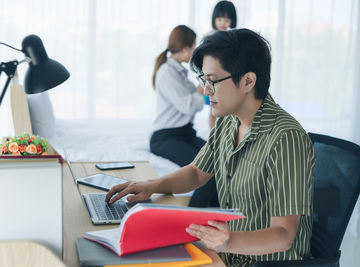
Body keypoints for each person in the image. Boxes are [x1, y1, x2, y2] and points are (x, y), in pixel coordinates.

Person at [106, 29, 315, 266]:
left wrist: (227, 242)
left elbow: (284, 236)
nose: (206, 91)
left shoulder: (285, 138)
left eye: (213, 81)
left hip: (262, 261)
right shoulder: (228, 120)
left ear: (248, 81)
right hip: (226, 253)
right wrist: (151, 186)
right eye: (203, 80)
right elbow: (197, 172)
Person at [150, 25, 219, 207]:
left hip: (185, 134)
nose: (195, 51)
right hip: (165, 138)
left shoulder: (178, 72)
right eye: (194, 46)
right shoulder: (167, 72)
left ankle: (219, 211)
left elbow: (197, 99)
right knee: (208, 168)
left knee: (220, 158)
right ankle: (193, 216)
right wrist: (203, 80)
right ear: (186, 48)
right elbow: (189, 106)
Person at [207, 1, 238, 129]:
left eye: (227, 19)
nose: (223, 23)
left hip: (227, 78)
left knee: (229, 108)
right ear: (214, 20)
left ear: (232, 20)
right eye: (219, 19)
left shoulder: (234, 38)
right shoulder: (209, 38)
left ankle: (226, 134)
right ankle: (212, 136)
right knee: (213, 109)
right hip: (212, 79)